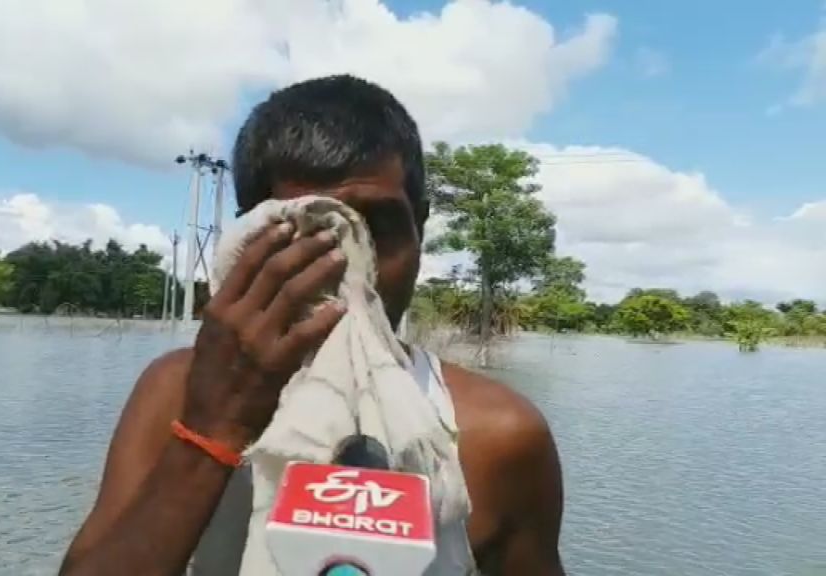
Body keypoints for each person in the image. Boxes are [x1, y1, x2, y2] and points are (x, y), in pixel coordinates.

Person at [59, 75, 565, 576]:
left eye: (376, 231)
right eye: (312, 235)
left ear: (420, 227)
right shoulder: (177, 393)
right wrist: (212, 432)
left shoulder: (495, 435)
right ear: (252, 234)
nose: (346, 271)